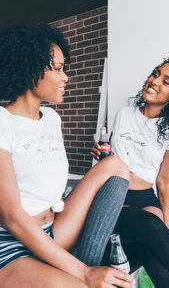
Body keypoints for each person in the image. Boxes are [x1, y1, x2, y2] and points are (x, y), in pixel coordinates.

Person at [0, 23, 133, 288]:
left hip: (53, 231)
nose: (66, 77)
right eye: (58, 69)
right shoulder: (3, 123)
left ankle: (84, 263)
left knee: (115, 165)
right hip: (11, 245)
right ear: (30, 70)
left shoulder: (52, 118)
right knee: (82, 283)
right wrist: (83, 274)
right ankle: (83, 272)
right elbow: (12, 216)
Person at [91, 54, 169, 287]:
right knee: (150, 230)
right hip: (113, 193)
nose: (155, 81)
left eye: (166, 81)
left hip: (144, 197)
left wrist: (167, 224)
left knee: (152, 235)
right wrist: (101, 156)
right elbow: (112, 157)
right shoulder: (123, 114)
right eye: (156, 74)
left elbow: (164, 179)